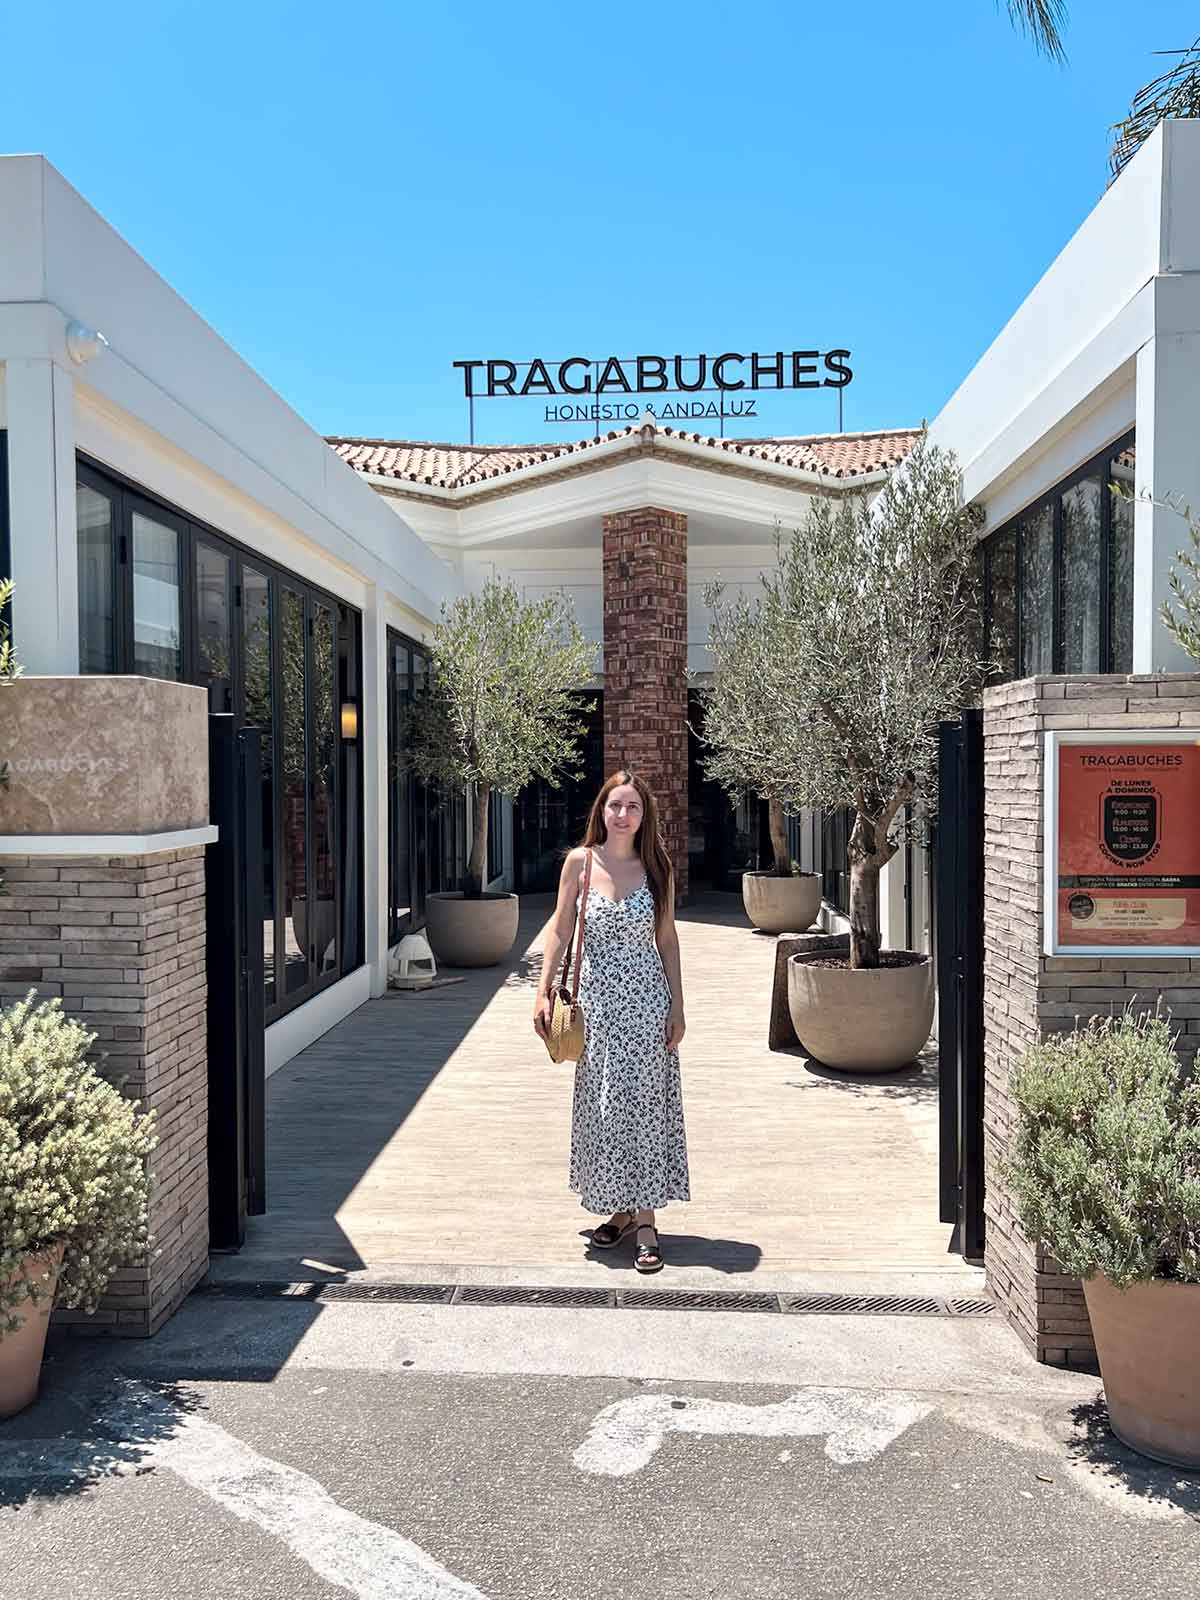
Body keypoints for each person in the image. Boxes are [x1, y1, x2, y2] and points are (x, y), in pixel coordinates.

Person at [534, 770, 690, 1273]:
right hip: (597, 1009)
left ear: (644, 816)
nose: (623, 815)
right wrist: (542, 990)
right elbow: (560, 929)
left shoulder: (657, 867)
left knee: (643, 1107)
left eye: (633, 807)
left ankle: (646, 1222)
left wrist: (678, 1006)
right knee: (606, 1108)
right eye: (615, 805)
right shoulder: (580, 863)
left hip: (646, 1006)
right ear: (601, 810)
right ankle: (622, 1209)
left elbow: (667, 939)